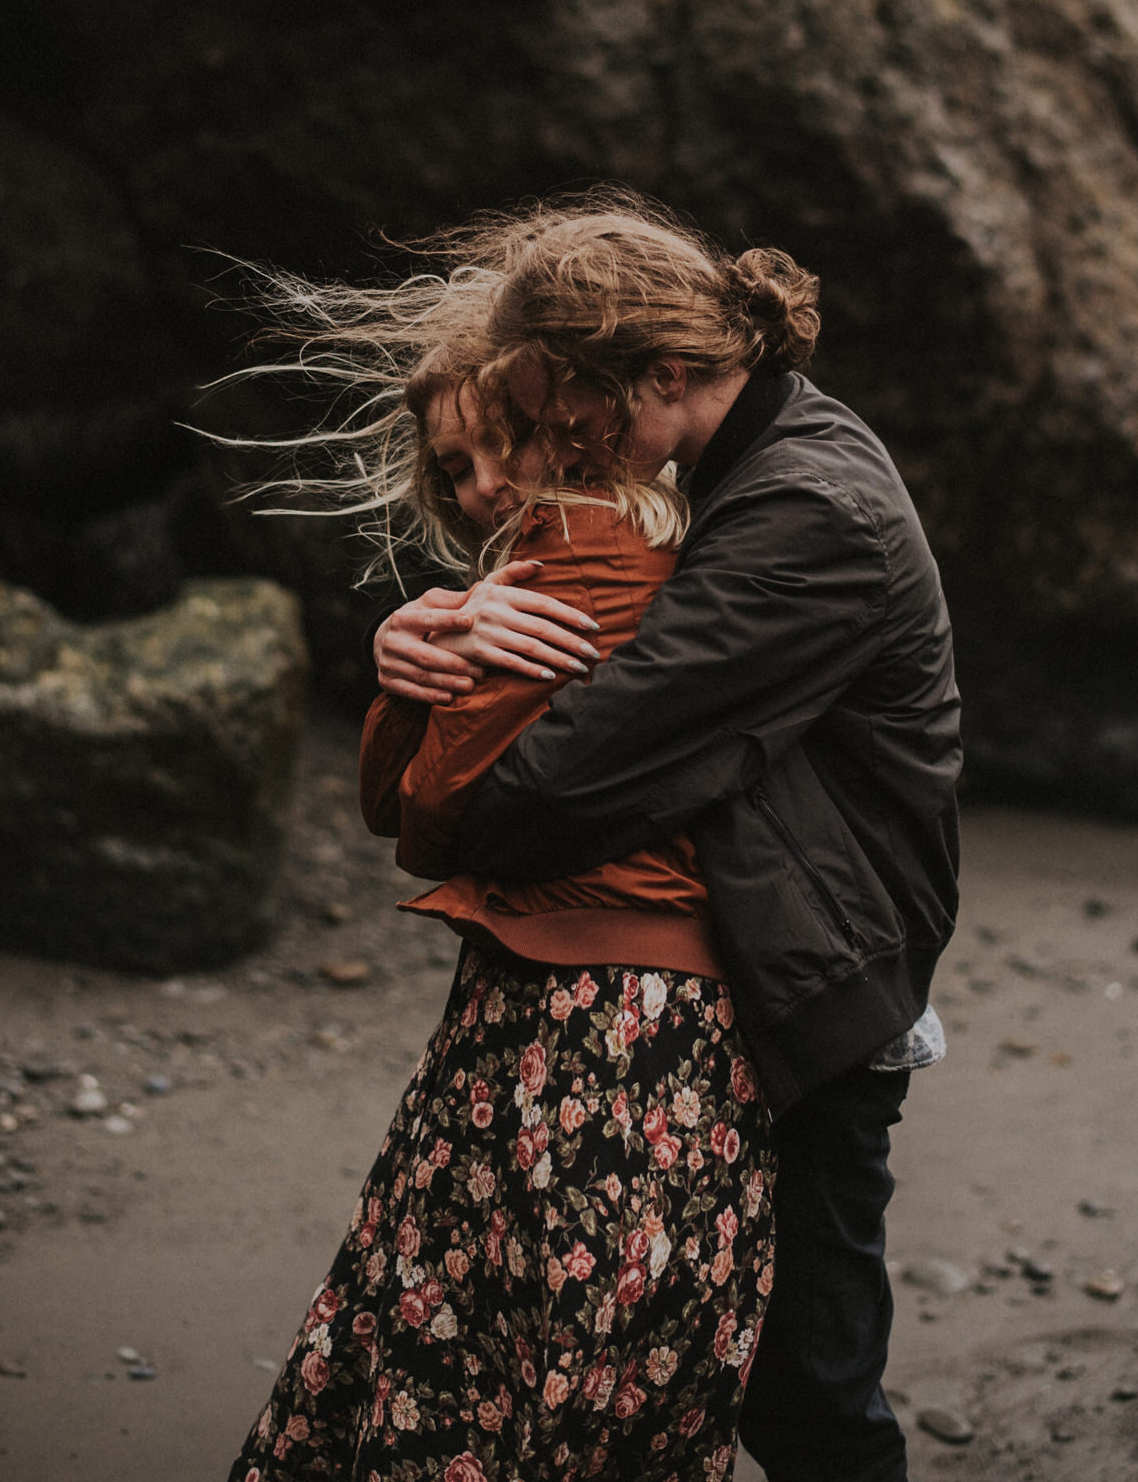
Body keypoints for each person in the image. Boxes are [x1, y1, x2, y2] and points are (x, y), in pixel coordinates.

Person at [371, 196, 962, 1482]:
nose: (565, 439)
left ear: (671, 373)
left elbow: (552, 783)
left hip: (815, 989)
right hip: (771, 967)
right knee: (733, 1369)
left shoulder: (809, 514)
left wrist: (451, 717)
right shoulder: (754, 460)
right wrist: (421, 642)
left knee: (802, 1392)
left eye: (570, 405)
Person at [227, 338, 776, 1482]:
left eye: (504, 438)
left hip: (598, 1014)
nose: (481, 480)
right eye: (454, 462)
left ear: (575, 414)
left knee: (475, 1341)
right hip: (603, 996)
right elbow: (397, 798)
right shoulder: (612, 537)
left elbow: (430, 817)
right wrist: (415, 653)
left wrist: (435, 665)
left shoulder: (573, 538)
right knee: (573, 1350)